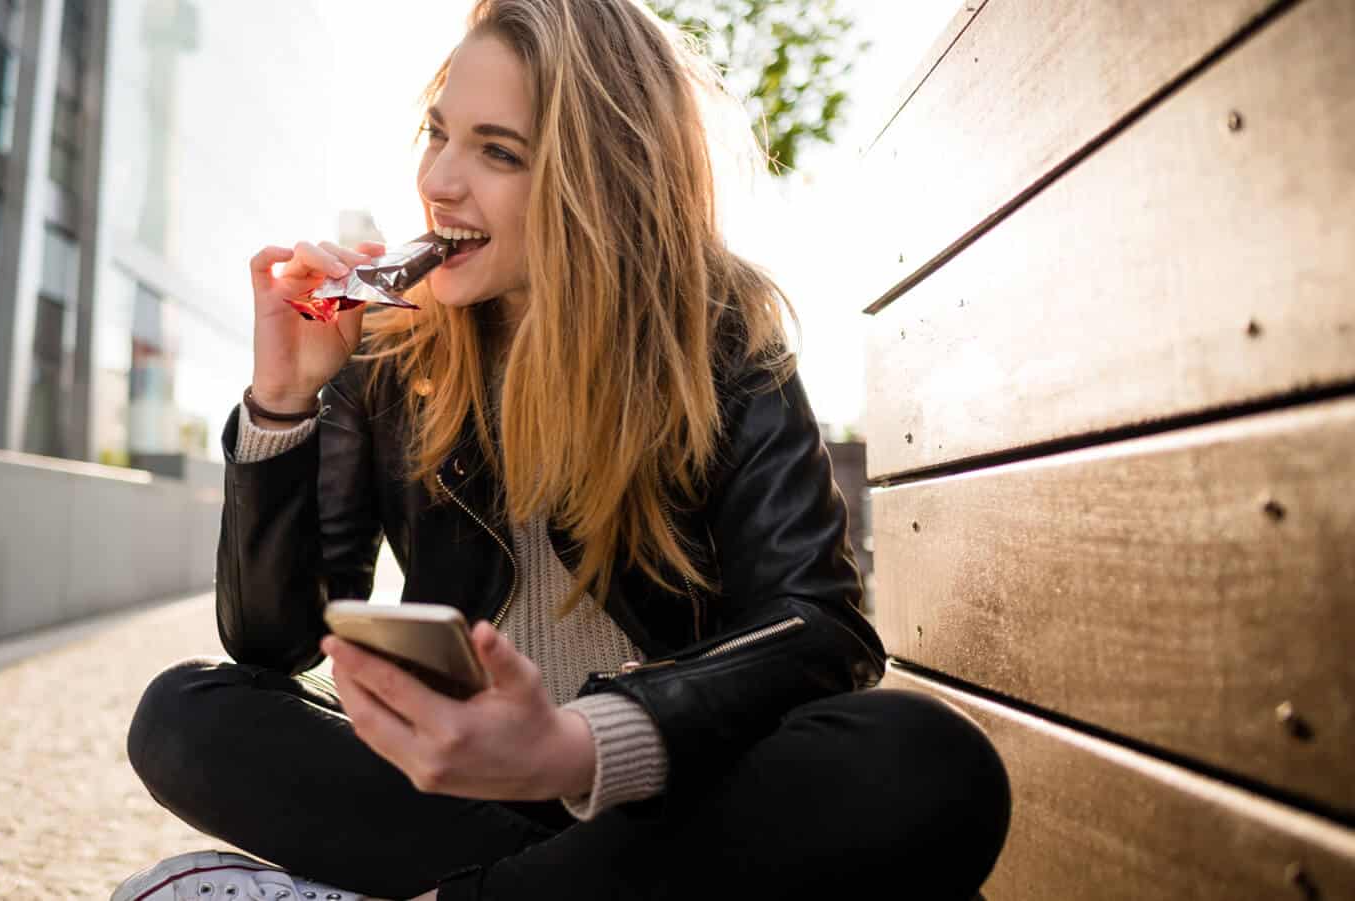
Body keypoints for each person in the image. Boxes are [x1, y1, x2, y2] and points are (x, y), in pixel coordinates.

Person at [118, 1, 1010, 898]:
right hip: (469, 796)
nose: (440, 179)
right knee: (184, 713)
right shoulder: (385, 351)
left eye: (497, 151)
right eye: (439, 134)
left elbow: (820, 628)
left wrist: (574, 743)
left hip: (650, 790)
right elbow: (275, 643)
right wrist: (284, 400)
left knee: (928, 759)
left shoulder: (720, 340)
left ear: (602, 175)